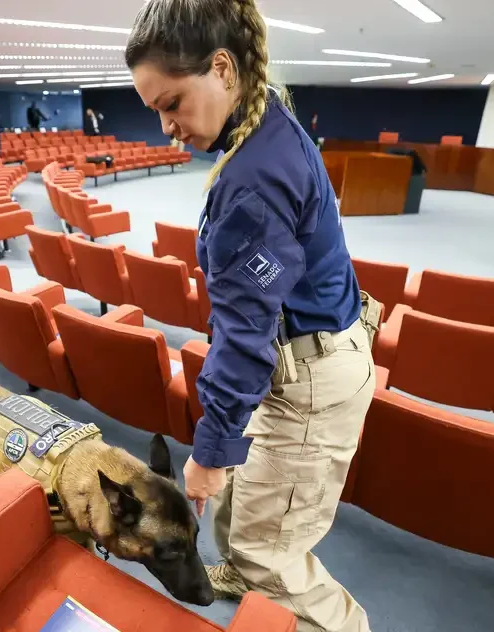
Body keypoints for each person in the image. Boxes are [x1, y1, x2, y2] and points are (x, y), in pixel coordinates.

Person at [127, 2, 375, 631]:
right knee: (244, 504)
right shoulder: (265, 119)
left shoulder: (252, 186)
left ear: (222, 69)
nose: (167, 128)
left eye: (173, 104)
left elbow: (243, 338)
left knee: (269, 549)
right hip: (306, 355)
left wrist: (208, 452)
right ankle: (243, 566)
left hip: (308, 376)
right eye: (155, 109)